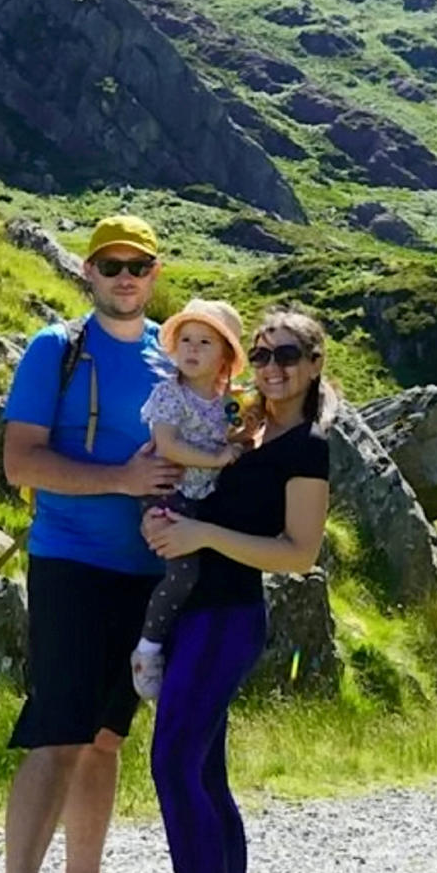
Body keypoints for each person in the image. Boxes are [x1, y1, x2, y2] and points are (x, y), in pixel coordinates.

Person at [0, 215, 183, 873]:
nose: (125, 276)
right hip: (70, 565)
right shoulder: (54, 350)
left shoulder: (173, 353)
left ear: (154, 274)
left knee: (105, 738)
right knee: (58, 735)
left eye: (138, 265)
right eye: (111, 264)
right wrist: (122, 481)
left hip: (146, 576)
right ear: (89, 274)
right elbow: (19, 462)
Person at [124, 307, 335, 873]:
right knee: (207, 779)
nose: (273, 368)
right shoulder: (248, 423)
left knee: (173, 766)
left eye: (288, 357)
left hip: (227, 617)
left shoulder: (305, 446)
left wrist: (198, 535)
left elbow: (298, 553)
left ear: (312, 367)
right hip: (196, 614)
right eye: (265, 354)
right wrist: (170, 522)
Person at [131, 299, 248, 701]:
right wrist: (216, 458)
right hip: (168, 491)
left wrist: (242, 438)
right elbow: (168, 445)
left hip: (202, 496)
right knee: (183, 572)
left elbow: (240, 437)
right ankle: (148, 649)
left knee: (205, 575)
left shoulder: (228, 402)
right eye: (185, 340)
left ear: (225, 358)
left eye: (204, 342)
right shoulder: (169, 394)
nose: (192, 350)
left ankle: (187, 651)